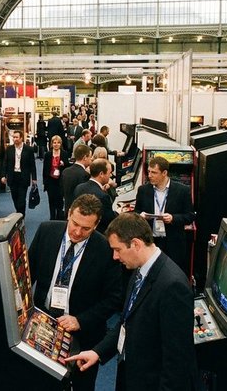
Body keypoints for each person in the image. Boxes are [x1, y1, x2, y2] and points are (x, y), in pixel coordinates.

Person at [65, 212, 199, 391]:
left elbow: (176, 362)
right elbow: (126, 322)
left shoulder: (172, 286)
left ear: (136, 244)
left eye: (118, 250)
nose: (114, 257)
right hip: (130, 374)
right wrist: (97, 352)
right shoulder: (138, 270)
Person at [28, 194, 122, 391]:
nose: (77, 232)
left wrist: (81, 320)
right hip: (41, 322)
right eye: (75, 223)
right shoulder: (46, 231)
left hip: (84, 335)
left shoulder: (106, 249)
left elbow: (114, 298)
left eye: (86, 228)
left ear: (96, 225)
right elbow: (29, 273)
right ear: (69, 213)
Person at [134, 156, 195, 276]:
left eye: (154, 172)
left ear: (164, 173)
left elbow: (190, 216)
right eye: (149, 171)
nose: (149, 175)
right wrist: (140, 216)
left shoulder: (182, 191)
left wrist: (173, 218)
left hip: (173, 242)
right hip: (151, 241)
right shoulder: (143, 190)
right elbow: (136, 212)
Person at [73, 159, 117, 234]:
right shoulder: (102, 196)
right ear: (101, 174)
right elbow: (109, 220)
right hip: (97, 234)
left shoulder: (79, 187)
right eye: (110, 173)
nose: (111, 175)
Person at [0, 130, 37, 216]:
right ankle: (18, 212)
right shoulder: (9, 149)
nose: (15, 139)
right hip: (13, 176)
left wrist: (34, 178)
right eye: (14, 137)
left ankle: (21, 215)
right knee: (15, 197)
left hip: (23, 176)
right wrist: (3, 176)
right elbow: (5, 163)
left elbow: (32, 165)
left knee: (21, 198)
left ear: (21, 138)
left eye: (17, 137)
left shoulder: (29, 149)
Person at [43, 135, 69, 220]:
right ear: (51, 144)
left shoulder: (64, 153)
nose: (56, 144)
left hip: (60, 181)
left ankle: (59, 217)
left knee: (60, 200)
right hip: (50, 180)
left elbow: (67, 166)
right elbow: (45, 169)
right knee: (51, 200)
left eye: (58, 143)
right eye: (54, 143)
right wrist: (45, 182)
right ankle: (52, 217)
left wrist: (63, 164)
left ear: (60, 144)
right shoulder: (48, 154)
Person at [62, 144, 92, 211]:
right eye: (90, 157)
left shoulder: (65, 171)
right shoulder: (85, 175)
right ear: (85, 157)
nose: (91, 159)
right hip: (79, 211)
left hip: (67, 208)